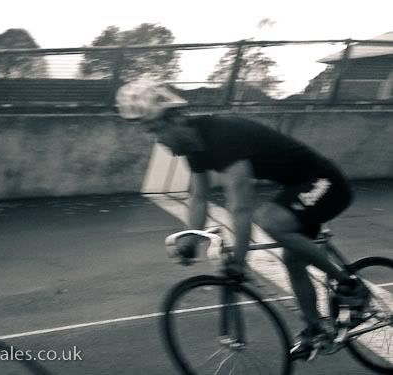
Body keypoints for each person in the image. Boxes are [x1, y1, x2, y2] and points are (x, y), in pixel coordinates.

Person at [116, 78, 370, 358]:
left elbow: (240, 206)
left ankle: (350, 286)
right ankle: (317, 329)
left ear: (175, 119)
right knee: (293, 259)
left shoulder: (223, 136)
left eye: (156, 130)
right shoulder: (195, 148)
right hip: (300, 188)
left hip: (326, 182)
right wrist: (192, 238)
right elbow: (199, 198)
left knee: (271, 220)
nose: (158, 141)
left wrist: (239, 259)